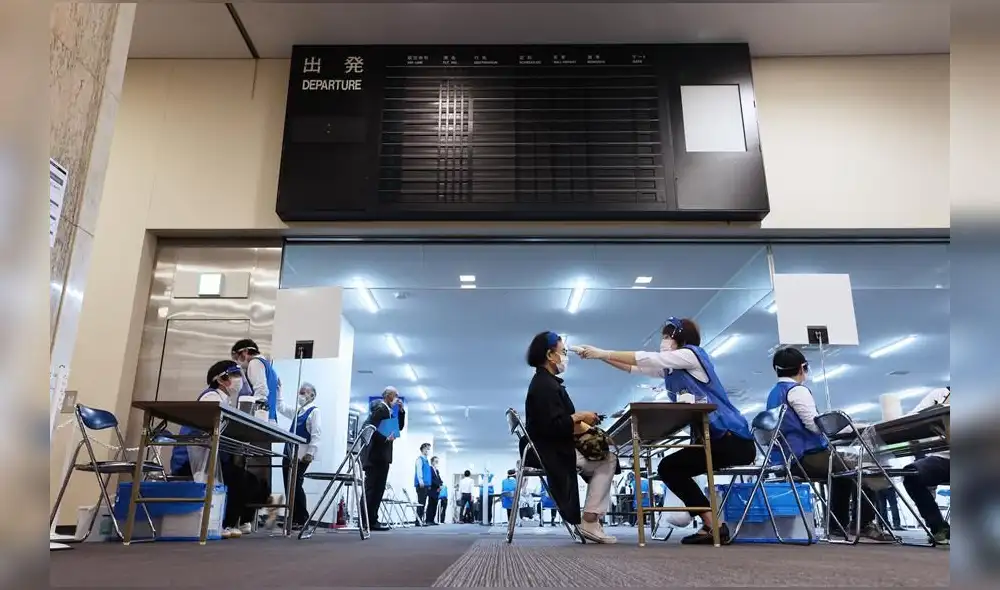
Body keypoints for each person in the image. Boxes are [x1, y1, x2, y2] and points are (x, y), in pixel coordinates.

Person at [578, 317, 755, 544]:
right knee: (671, 468)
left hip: (732, 439)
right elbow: (635, 368)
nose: (663, 341)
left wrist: (604, 352)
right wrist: (601, 357)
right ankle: (713, 525)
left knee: (670, 468)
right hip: (715, 439)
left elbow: (648, 358)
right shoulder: (672, 369)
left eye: (666, 336)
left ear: (679, 337)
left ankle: (713, 525)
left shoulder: (691, 355)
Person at [766, 346, 892, 541]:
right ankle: (863, 524)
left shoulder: (774, 394)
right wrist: (846, 426)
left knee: (842, 472)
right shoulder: (797, 391)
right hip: (804, 456)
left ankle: (837, 526)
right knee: (867, 467)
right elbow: (815, 426)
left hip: (785, 458)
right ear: (802, 368)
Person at [525, 331, 618, 543]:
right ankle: (590, 520)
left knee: (601, 456)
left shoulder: (545, 383)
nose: (565, 357)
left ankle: (592, 518)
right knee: (608, 458)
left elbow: (556, 422)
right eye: (563, 352)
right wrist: (580, 416)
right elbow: (554, 426)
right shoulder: (545, 386)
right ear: (550, 355)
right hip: (551, 452)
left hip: (548, 447)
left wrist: (582, 421)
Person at [169, 360, 270, 539]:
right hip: (192, 463)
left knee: (253, 483)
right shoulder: (211, 398)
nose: (239, 380)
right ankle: (223, 523)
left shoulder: (225, 400)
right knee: (241, 481)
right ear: (221, 379)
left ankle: (232, 521)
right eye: (234, 375)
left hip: (212, 460)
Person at [902, 386, 951, 544]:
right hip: (945, 457)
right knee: (912, 474)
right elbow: (912, 418)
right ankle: (938, 527)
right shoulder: (940, 394)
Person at [276, 381, 321, 530]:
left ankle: (302, 519)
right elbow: (281, 407)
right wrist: (279, 391)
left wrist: (310, 453)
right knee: (288, 485)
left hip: (302, 454)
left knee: (296, 484)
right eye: (299, 392)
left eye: (303, 392)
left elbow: (316, 433)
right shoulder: (298, 411)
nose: (300, 395)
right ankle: (293, 517)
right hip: (289, 451)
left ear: (312, 396)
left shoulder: (314, 412)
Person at [361, 386, 405, 531]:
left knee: (378, 489)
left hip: (382, 456)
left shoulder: (388, 411)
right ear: (388, 395)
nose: (397, 398)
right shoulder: (381, 409)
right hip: (376, 456)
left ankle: (372, 519)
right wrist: (385, 438)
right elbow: (370, 428)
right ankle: (367, 520)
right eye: (395, 395)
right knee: (372, 489)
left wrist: (401, 411)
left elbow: (399, 427)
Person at [231, 339, 281, 422]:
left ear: (245, 352)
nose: (237, 362)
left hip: (262, 417)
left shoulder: (254, 363)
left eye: (237, 357)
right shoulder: (269, 368)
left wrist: (257, 419)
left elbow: (261, 391)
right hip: (270, 417)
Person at [413, 442, 433, 526]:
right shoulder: (420, 459)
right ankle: (418, 521)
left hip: (426, 485)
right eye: (427, 449)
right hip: (421, 484)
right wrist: (421, 481)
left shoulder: (426, 460)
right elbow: (419, 471)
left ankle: (420, 520)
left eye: (429, 449)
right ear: (423, 449)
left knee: (423, 503)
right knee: (421, 503)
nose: (428, 450)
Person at [426, 456, 443, 525]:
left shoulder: (436, 470)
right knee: (430, 505)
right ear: (432, 462)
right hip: (432, 489)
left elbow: (439, 479)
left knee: (435, 505)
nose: (437, 463)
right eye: (436, 461)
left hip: (437, 490)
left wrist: (440, 485)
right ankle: (428, 520)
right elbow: (431, 479)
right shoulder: (430, 469)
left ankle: (432, 520)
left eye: (437, 461)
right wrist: (438, 485)